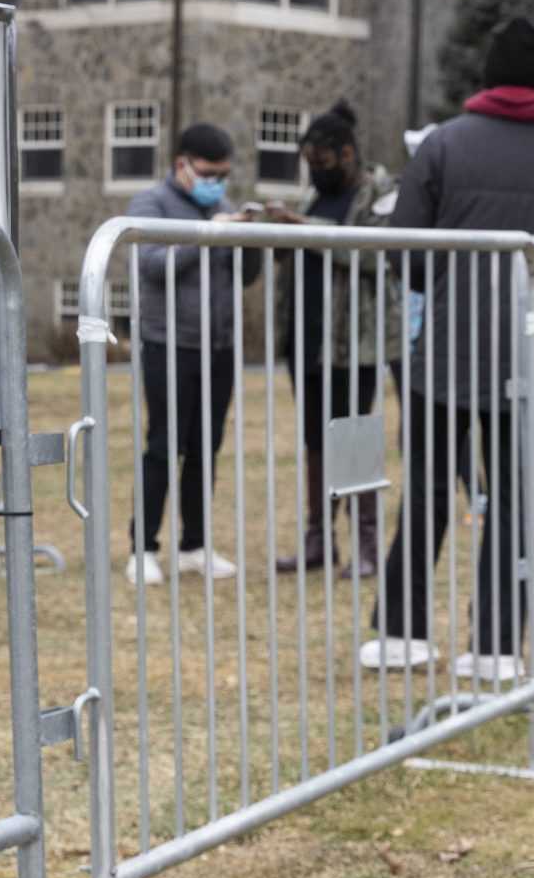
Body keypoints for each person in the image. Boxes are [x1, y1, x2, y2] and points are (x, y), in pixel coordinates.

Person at [361, 16, 534, 683]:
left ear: (488, 73)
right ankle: (497, 643)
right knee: (515, 498)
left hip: (444, 351)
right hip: (532, 354)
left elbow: (405, 256)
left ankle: (404, 631)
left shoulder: (443, 145)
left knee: (429, 489)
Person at [125, 122, 262, 585]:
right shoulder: (151, 204)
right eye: (209, 173)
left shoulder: (221, 208)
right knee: (164, 445)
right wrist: (205, 234)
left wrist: (252, 238)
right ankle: (142, 547)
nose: (217, 184)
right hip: (168, 343)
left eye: (223, 175)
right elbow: (150, 265)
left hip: (219, 347)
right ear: (181, 164)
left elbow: (241, 277)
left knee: (206, 448)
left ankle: (195, 545)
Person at [271, 99, 388, 578]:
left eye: (319, 162)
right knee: (316, 439)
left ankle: (366, 544)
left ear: (345, 154)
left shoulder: (378, 194)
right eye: (307, 164)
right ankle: (319, 541)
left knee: (354, 436)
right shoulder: (311, 199)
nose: (314, 172)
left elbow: (373, 255)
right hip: (307, 337)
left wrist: (302, 228)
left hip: (353, 342)